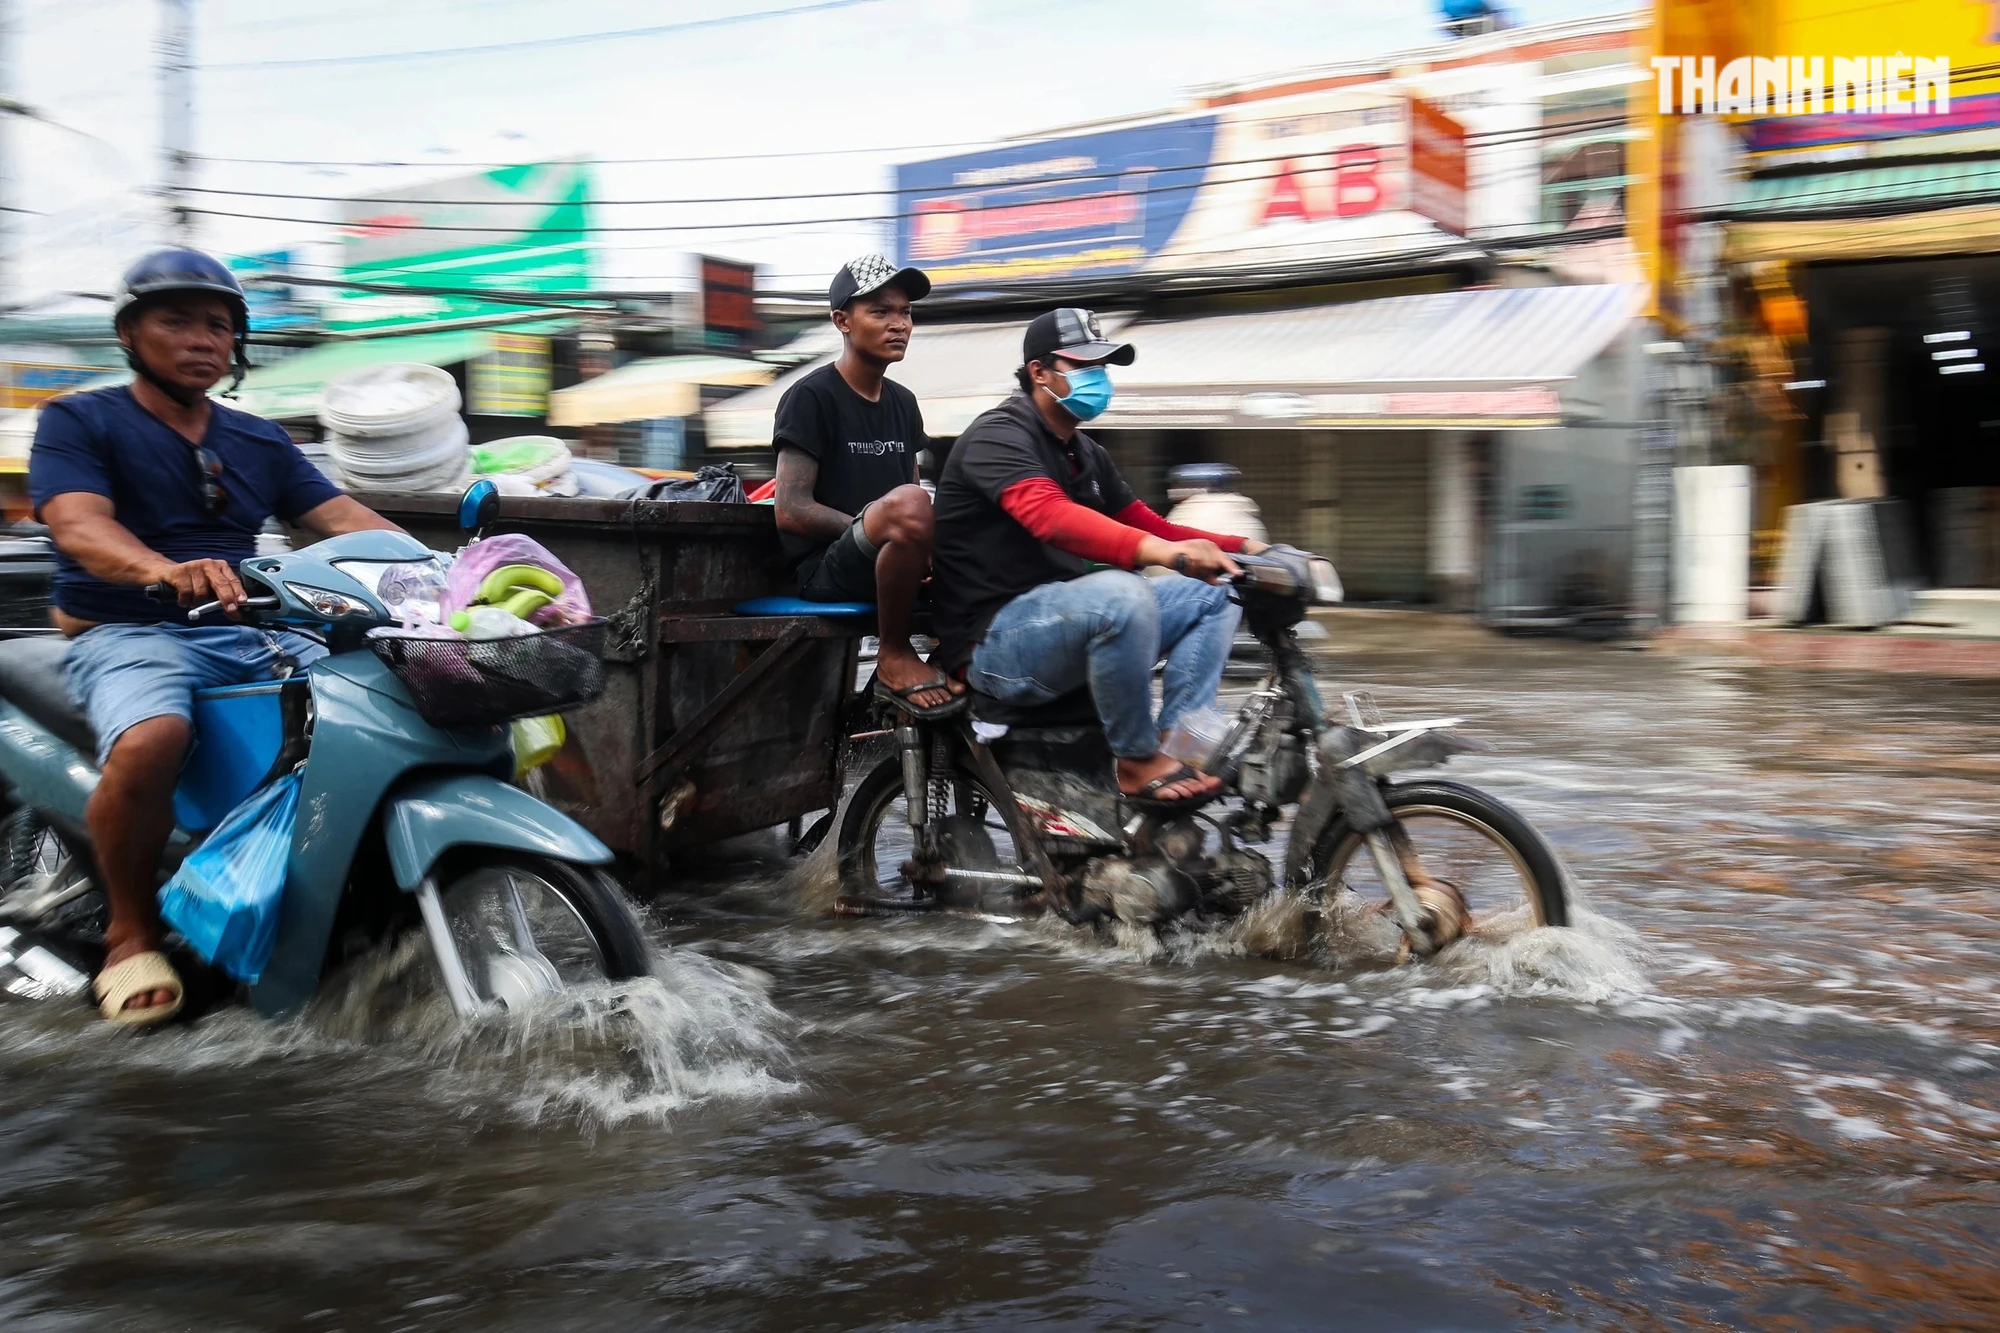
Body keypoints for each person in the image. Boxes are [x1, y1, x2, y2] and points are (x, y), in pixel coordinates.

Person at [28, 248, 402, 1027]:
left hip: (254, 622)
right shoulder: (79, 418)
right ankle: (130, 932)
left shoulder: (260, 438)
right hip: (131, 628)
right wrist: (160, 570)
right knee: (154, 737)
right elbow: (78, 522)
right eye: (177, 321)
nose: (203, 339)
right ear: (130, 334)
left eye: (220, 326)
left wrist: (453, 573)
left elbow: (342, 519)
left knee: (398, 695)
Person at [930, 309, 1268, 808]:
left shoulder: (1084, 452)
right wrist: (1167, 556)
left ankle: (1180, 737)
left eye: (1103, 367)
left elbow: (1151, 525)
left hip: (1064, 616)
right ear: (1039, 372)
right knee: (1124, 593)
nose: (1099, 378)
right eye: (1083, 366)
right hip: (995, 641)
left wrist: (1244, 548)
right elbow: (1052, 518)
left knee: (1216, 589)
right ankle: (1135, 759)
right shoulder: (999, 435)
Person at [771, 254, 960, 717]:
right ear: (842, 321)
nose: (900, 324)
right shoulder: (810, 397)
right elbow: (791, 509)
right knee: (910, 506)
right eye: (880, 312)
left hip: (891, 554)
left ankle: (954, 661)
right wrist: (880, 530)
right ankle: (893, 655)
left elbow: (911, 494)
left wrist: (925, 549)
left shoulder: (904, 403)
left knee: (988, 541)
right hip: (828, 569)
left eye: (906, 312)